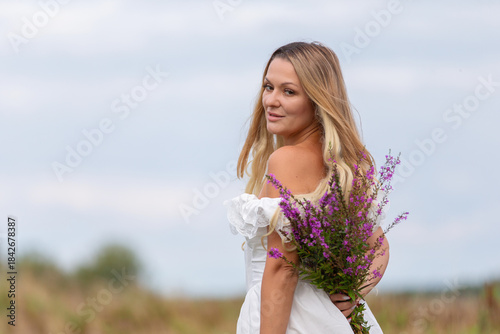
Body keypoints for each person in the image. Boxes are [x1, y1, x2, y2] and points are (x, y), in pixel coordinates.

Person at [224, 41, 389, 333]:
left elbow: (282, 269)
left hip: (289, 322)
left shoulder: (286, 161)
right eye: (268, 87)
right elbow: (379, 245)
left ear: (317, 100)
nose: (271, 100)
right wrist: (353, 293)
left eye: (288, 91)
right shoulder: (346, 166)